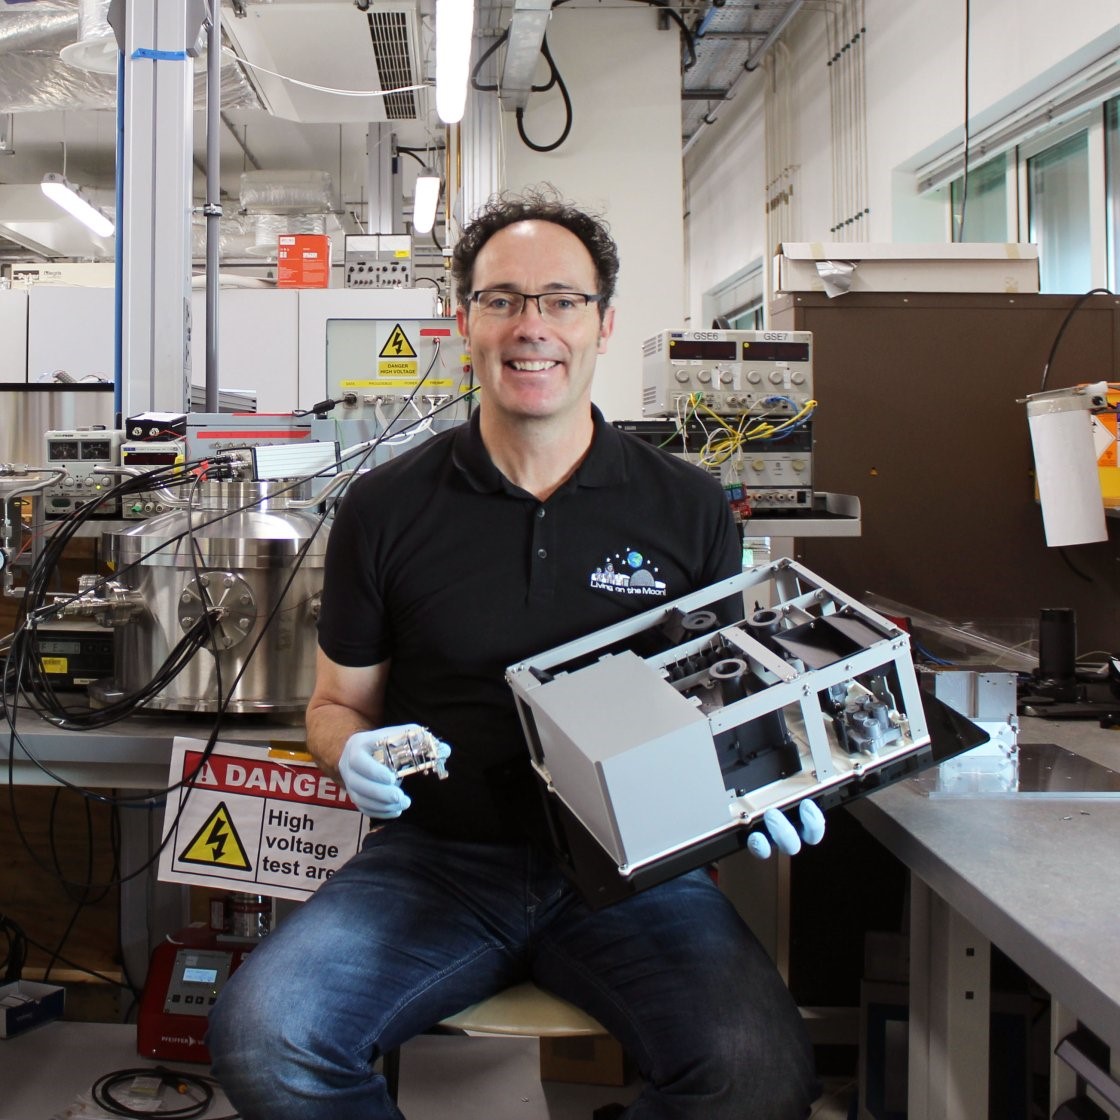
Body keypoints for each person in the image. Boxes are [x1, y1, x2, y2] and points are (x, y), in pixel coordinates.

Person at [207, 187, 823, 1119]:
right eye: (502, 299)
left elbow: (726, 708)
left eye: (561, 300)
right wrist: (348, 751)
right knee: (267, 1038)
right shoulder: (386, 507)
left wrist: (770, 787)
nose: (531, 327)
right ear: (466, 322)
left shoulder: (688, 507)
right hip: (437, 862)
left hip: (634, 872)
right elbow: (337, 705)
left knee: (757, 1076)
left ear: (605, 323)